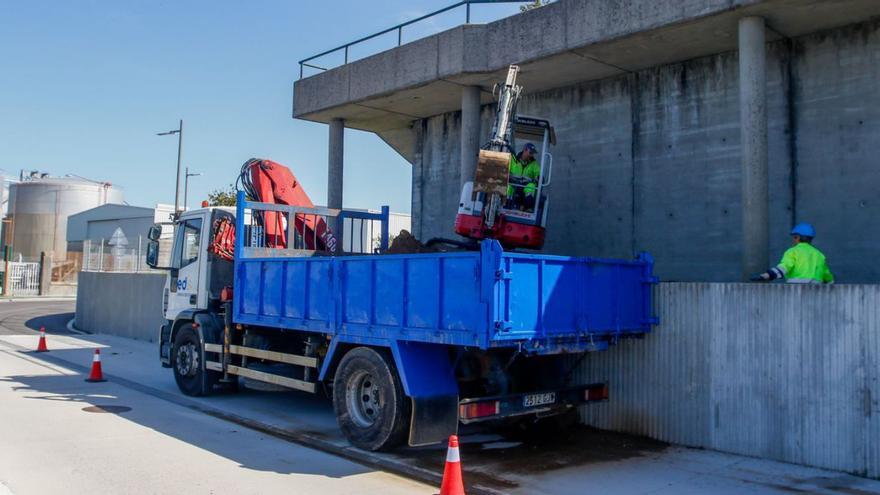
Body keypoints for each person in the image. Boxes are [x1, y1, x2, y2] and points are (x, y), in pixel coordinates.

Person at [751, 223, 834, 284]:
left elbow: (784, 268)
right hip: (816, 292)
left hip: (795, 292)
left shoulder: (792, 251)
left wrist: (767, 275)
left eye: (794, 237)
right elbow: (827, 276)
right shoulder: (819, 255)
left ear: (797, 237)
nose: (793, 240)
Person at [506, 142, 541, 211]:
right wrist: (510, 176)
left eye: (533, 153)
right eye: (530, 153)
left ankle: (527, 207)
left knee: (531, 186)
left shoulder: (533, 164)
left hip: (524, 187)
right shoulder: (513, 160)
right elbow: (506, 170)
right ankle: (506, 204)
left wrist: (538, 178)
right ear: (524, 150)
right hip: (513, 184)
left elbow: (538, 174)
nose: (531, 155)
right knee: (508, 186)